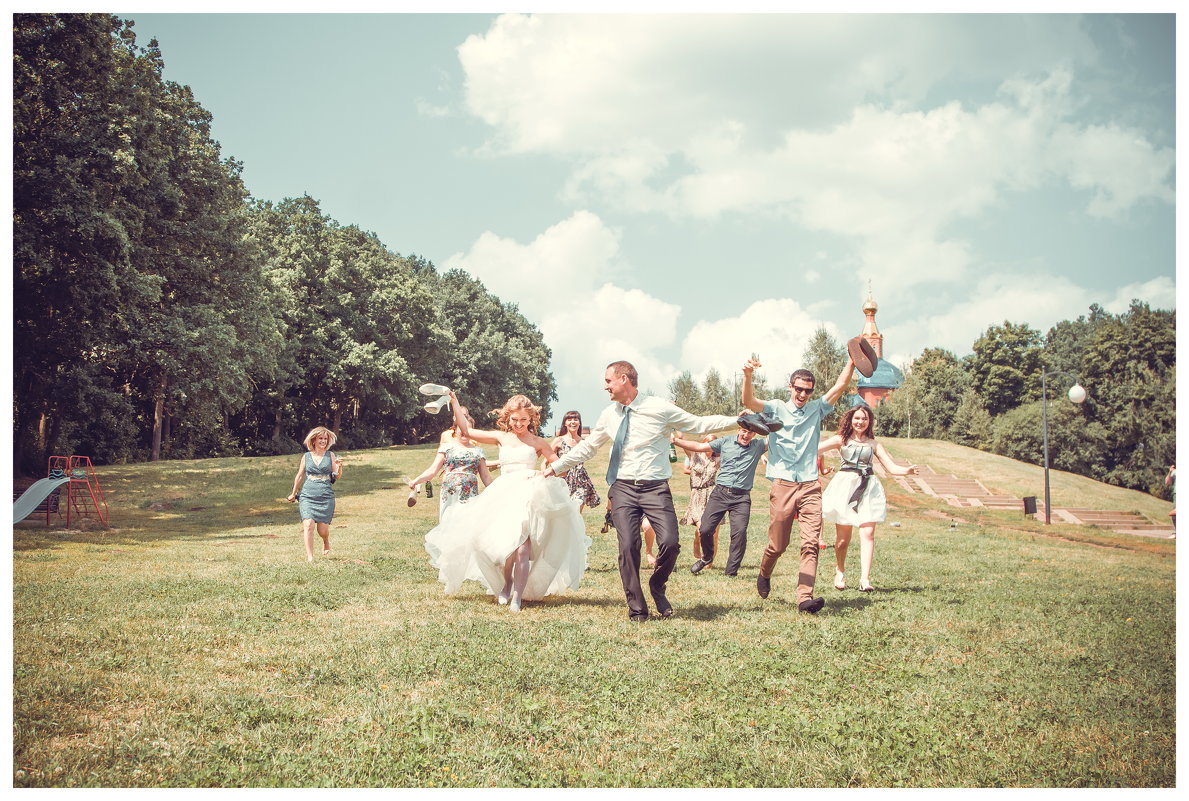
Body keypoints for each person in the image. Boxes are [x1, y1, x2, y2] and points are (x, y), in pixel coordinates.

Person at [545, 360, 738, 622]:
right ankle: (637, 608)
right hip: (623, 488)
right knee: (628, 546)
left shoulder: (659, 408)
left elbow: (699, 424)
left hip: (655, 488)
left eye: (608, 381)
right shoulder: (609, 415)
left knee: (670, 543)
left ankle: (657, 586)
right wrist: (556, 467)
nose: (605, 387)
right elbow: (588, 448)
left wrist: (738, 419)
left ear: (624, 379)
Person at [424, 392, 590, 613]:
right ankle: (508, 583)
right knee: (507, 549)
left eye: (523, 420)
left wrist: (543, 474)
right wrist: (454, 402)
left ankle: (517, 598)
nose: (519, 424)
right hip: (503, 494)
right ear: (507, 418)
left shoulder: (538, 442)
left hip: (529, 495)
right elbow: (466, 430)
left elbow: (559, 466)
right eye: (514, 420)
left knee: (522, 549)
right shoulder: (500, 437)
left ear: (531, 419)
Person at [742, 353, 855, 613]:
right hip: (783, 484)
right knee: (778, 545)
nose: (803, 395)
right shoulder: (776, 407)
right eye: (799, 389)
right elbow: (749, 401)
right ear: (790, 387)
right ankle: (764, 572)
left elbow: (839, 388)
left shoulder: (817, 408)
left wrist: (851, 362)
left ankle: (805, 598)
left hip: (810, 484)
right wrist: (748, 376)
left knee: (810, 543)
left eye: (808, 391)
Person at [817, 404, 918, 592]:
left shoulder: (874, 444)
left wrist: (907, 471)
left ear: (869, 421)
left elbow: (892, 467)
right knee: (842, 540)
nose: (860, 422)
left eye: (864, 418)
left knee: (868, 533)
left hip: (868, 488)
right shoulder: (841, 439)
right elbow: (815, 449)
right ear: (850, 419)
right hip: (845, 488)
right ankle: (839, 570)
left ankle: (865, 579)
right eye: (857, 418)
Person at [675, 420, 769, 578]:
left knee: (739, 533)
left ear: (755, 434)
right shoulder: (724, 442)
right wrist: (676, 440)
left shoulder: (758, 446)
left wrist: (766, 419)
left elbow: (777, 435)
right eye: (744, 431)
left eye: (750, 432)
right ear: (739, 429)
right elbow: (698, 447)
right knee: (704, 529)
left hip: (742, 497)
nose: (746, 435)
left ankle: (731, 572)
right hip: (720, 493)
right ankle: (706, 557)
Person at [406, 405, 493, 520]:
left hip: (470, 494)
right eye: (461, 429)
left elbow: (486, 476)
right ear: (455, 429)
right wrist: (416, 481)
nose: (464, 432)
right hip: (450, 494)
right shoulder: (446, 447)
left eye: (468, 429)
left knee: (467, 524)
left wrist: (497, 491)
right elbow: (433, 470)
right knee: (449, 522)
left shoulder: (478, 451)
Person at [286, 427, 344, 562]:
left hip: (325, 496)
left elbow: (337, 476)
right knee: (308, 525)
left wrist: (340, 466)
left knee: (322, 530)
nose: (323, 441)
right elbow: (300, 476)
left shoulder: (331, 456)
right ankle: (310, 558)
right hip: (307, 495)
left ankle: (325, 540)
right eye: (320, 438)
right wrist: (293, 493)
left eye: (325, 439)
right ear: (314, 440)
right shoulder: (306, 457)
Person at [676, 434, 721, 565]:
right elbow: (682, 443)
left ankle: (709, 562)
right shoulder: (693, 455)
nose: (710, 447)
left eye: (714, 445)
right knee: (702, 528)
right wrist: (679, 435)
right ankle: (697, 540)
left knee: (714, 532)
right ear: (704, 443)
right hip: (697, 495)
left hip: (713, 495)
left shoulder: (717, 459)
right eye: (708, 443)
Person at [551, 410, 601, 512]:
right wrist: (547, 480)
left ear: (579, 423)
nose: (573, 422)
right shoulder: (559, 441)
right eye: (569, 419)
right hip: (562, 481)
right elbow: (544, 463)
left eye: (576, 419)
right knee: (564, 514)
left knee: (576, 513)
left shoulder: (584, 443)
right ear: (565, 423)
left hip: (580, 481)